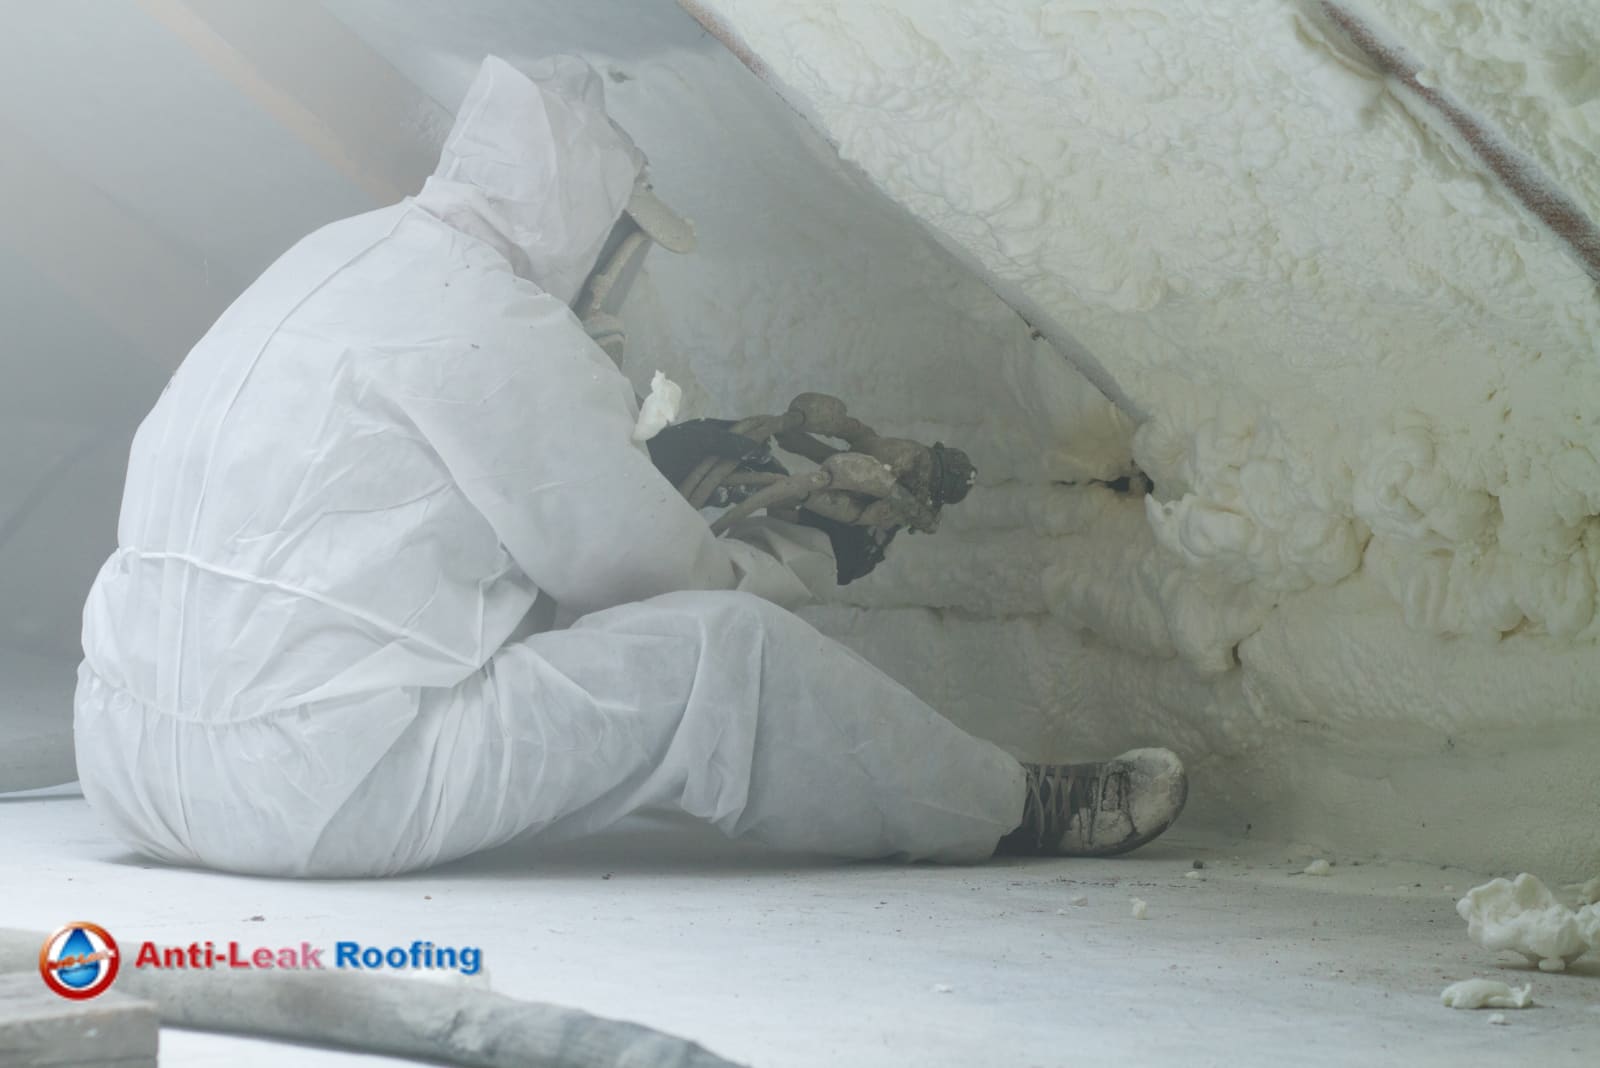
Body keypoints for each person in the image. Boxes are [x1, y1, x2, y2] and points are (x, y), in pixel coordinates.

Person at [73, 56, 1186, 878]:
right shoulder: (497, 321)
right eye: (623, 240)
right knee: (727, 656)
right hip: (306, 795)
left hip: (127, 768)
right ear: (578, 224)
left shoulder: (333, 259)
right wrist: (796, 550)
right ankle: (1009, 808)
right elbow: (652, 585)